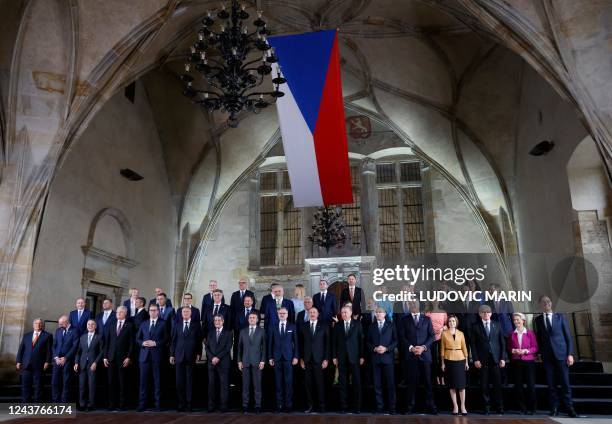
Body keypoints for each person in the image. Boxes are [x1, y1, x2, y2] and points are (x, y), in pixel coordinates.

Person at [534, 295, 577, 417]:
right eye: (543, 302)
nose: (546, 303)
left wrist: (570, 354)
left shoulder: (560, 317)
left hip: (562, 354)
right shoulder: (538, 320)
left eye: (548, 301)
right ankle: (554, 408)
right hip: (547, 356)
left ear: (551, 303)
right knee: (551, 384)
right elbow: (539, 339)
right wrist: (538, 354)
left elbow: (568, 337)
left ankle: (569, 408)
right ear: (540, 305)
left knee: (565, 382)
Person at [470, 304, 507, 415]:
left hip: (496, 359)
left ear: (491, 313)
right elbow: (473, 345)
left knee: (497, 385)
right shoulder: (475, 327)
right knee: (484, 385)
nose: (486, 314)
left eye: (488, 312)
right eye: (483, 312)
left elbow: (502, 343)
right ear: (480, 314)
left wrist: (503, 358)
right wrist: (475, 359)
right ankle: (486, 408)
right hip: (482, 360)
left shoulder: (497, 325)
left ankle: (499, 407)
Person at [401, 301, 437, 415]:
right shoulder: (404, 320)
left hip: (425, 355)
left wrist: (423, 347)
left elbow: (432, 336)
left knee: (428, 382)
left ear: (419, 306)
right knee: (411, 383)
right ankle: (410, 407)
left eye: (415, 304)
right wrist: (411, 348)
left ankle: (430, 406)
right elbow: (402, 337)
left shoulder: (426, 319)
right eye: (411, 304)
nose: (413, 306)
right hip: (411, 356)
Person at [332, 305, 364, 414]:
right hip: (341, 358)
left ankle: (357, 407)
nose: (343, 314)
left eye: (345, 312)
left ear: (351, 313)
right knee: (343, 383)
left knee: (356, 383)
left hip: (354, 358)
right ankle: (344, 407)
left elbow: (361, 342)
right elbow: (334, 343)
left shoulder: (358, 324)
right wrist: (334, 357)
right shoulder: (337, 325)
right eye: (342, 312)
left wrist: (362, 356)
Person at [170, 307, 203, 412]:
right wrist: (171, 355)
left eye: (187, 311)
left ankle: (189, 404)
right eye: (184, 311)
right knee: (179, 382)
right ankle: (181, 404)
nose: (185, 313)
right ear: (181, 313)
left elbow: (199, 341)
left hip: (191, 356)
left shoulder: (196, 326)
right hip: (179, 356)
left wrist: (199, 353)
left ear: (191, 313)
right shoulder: (177, 325)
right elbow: (173, 341)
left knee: (189, 382)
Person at [136, 304, 168, 411]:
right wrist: (142, 343)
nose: (152, 312)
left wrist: (155, 343)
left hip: (157, 356)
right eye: (151, 310)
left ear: (158, 312)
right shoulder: (143, 323)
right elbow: (138, 338)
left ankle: (157, 405)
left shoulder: (163, 323)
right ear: (148, 311)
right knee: (143, 382)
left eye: (154, 310)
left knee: (157, 382)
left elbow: (166, 339)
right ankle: (142, 405)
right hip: (144, 357)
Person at [104, 306, 135, 411]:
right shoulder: (111, 325)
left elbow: (132, 343)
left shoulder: (130, 325)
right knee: (111, 382)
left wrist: (129, 357)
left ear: (125, 313)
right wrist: (104, 357)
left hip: (123, 359)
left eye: (121, 312)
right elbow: (107, 342)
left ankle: (122, 405)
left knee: (122, 383)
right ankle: (111, 404)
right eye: (117, 312)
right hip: (111, 358)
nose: (118, 313)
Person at [268, 307, 299, 412]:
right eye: (280, 313)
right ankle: (279, 405)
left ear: (287, 314)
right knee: (278, 382)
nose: (282, 315)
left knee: (288, 382)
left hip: (288, 358)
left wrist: (296, 356)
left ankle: (288, 405)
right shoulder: (273, 326)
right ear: (277, 314)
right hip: (276, 358)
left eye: (284, 313)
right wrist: (270, 357)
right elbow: (270, 343)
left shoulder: (292, 326)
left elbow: (296, 343)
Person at [300, 307, 330, 413]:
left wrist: (326, 359)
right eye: (310, 312)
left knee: (320, 384)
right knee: (308, 384)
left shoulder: (324, 326)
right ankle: (310, 406)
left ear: (318, 314)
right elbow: (301, 344)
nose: (312, 314)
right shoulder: (304, 326)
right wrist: (301, 359)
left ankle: (321, 406)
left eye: (314, 312)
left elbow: (327, 344)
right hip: (307, 360)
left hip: (320, 360)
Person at [367, 307, 397, 414]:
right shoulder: (371, 326)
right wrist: (374, 348)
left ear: (385, 314)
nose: (378, 313)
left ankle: (392, 408)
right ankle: (379, 407)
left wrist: (387, 348)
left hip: (388, 358)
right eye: (377, 312)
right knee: (377, 385)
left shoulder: (391, 325)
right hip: (376, 359)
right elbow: (368, 342)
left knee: (390, 384)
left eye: (380, 312)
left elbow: (395, 341)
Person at [16, 318, 52, 402]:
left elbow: (49, 351)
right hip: (26, 364)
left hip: (39, 365)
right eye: (36, 323)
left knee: (38, 386)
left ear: (42, 325)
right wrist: (18, 361)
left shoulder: (47, 336)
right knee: (25, 386)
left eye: (40, 323)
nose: (38, 325)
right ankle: (25, 404)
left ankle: (37, 405)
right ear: (33, 325)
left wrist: (47, 361)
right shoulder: (27, 335)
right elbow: (21, 349)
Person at [508, 312, 538, 415]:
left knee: (530, 385)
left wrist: (526, 351)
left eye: (518, 320)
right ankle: (522, 408)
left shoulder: (530, 333)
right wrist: (514, 351)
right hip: (516, 361)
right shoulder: (511, 333)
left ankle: (532, 408)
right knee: (518, 386)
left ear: (523, 321)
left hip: (529, 361)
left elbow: (535, 347)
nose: (516, 322)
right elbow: (509, 348)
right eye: (514, 320)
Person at [440, 314, 469, 416]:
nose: (452, 323)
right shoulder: (444, 334)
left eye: (453, 321)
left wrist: (466, 362)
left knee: (461, 385)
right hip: (449, 359)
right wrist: (442, 363)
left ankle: (463, 406)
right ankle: (455, 406)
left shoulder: (461, 333)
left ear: (456, 322)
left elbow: (465, 348)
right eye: (450, 321)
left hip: (460, 359)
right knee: (452, 385)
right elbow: (442, 349)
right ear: (447, 323)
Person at [238, 311, 266, 413]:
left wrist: (263, 361)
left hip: (257, 362)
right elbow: (239, 348)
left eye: (254, 318)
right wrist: (239, 361)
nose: (252, 319)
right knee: (245, 386)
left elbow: (264, 348)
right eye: (250, 318)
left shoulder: (262, 331)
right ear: (248, 319)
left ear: (257, 320)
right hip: (245, 362)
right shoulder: (243, 331)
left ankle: (257, 406)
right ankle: (245, 406)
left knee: (257, 386)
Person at [74, 319, 104, 411]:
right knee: (82, 385)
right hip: (82, 364)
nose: (90, 326)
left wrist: (96, 362)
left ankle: (91, 405)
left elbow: (102, 351)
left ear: (95, 326)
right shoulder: (82, 337)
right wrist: (76, 362)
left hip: (92, 365)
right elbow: (78, 352)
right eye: (88, 324)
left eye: (92, 324)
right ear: (86, 326)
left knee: (91, 385)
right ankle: (82, 404)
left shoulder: (99, 337)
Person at [205, 314, 232, 412]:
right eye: (215, 320)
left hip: (223, 363)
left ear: (223, 321)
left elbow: (227, 348)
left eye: (219, 320)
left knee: (224, 386)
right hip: (212, 363)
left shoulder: (228, 333)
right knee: (211, 386)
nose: (217, 322)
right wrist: (212, 357)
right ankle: (211, 406)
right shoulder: (210, 333)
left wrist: (217, 357)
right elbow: (206, 347)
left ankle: (223, 406)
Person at [51, 314, 79, 403]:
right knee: (55, 382)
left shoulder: (75, 331)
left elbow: (75, 346)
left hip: (68, 361)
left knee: (66, 383)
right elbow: (54, 345)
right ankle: (56, 401)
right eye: (59, 324)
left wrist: (65, 358)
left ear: (67, 323)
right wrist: (56, 357)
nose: (59, 326)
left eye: (61, 324)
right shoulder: (58, 331)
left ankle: (64, 402)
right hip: (57, 360)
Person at [425, 299, 447, 385]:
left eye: (436, 300)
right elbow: (425, 326)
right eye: (433, 300)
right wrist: (431, 331)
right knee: (433, 359)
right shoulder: (428, 312)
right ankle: (436, 377)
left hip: (441, 337)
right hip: (431, 338)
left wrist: (441, 329)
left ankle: (442, 377)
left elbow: (447, 325)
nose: (435, 301)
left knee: (442, 358)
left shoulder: (443, 312)